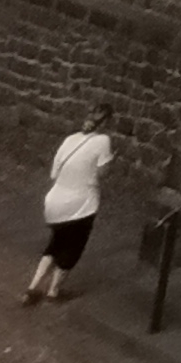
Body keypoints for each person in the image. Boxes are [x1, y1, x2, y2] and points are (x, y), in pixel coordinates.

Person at [28, 121, 115, 304]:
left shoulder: (70, 139)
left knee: (55, 243)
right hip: (81, 204)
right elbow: (102, 173)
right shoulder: (103, 141)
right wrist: (110, 159)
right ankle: (53, 290)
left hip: (55, 200)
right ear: (106, 123)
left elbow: (54, 174)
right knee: (73, 247)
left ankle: (33, 287)